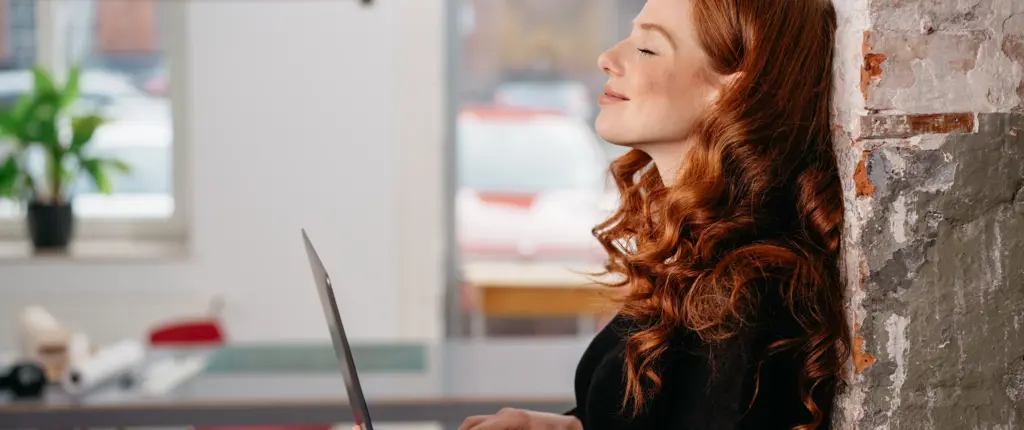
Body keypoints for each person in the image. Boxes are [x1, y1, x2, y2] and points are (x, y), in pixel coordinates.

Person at [455, 0, 852, 428]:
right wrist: (564, 426)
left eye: (647, 48)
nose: (607, 59)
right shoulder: (697, 250)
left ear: (735, 90)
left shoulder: (748, 295)